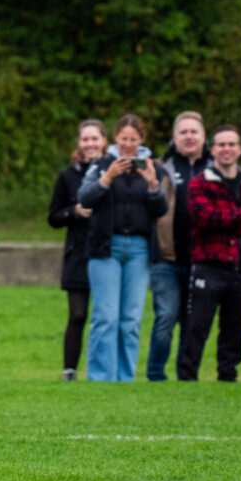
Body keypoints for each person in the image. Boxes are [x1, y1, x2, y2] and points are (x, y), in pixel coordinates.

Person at [77, 115, 168, 382]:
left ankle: (125, 378)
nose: (128, 144)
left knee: (131, 320)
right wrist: (107, 178)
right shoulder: (101, 165)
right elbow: (84, 198)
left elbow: (160, 209)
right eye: (123, 138)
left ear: (142, 140)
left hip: (139, 249)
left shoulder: (153, 168)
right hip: (106, 247)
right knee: (106, 316)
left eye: (133, 139)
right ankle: (101, 377)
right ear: (115, 138)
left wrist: (153, 185)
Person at [178, 126, 241, 382]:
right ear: (213, 150)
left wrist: (230, 219)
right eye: (221, 145)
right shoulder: (200, 182)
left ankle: (227, 378)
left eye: (231, 144)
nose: (226, 149)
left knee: (234, 329)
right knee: (197, 326)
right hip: (210, 265)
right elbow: (204, 218)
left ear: (239, 149)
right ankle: (187, 378)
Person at [145, 112, 210, 381]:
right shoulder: (160, 168)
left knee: (192, 322)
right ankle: (155, 374)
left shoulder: (214, 169)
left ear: (203, 136)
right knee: (166, 316)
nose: (189, 136)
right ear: (174, 137)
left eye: (194, 131)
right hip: (166, 259)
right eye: (183, 132)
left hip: (202, 260)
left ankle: (186, 375)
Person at [48, 119, 106, 381]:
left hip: (106, 251)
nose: (90, 144)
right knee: (78, 314)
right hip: (78, 254)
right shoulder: (68, 176)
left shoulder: (113, 171)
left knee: (104, 316)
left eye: (94, 139)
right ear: (79, 143)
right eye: (85, 139)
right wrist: (74, 211)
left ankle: (103, 370)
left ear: (104, 141)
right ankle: (69, 370)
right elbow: (53, 217)